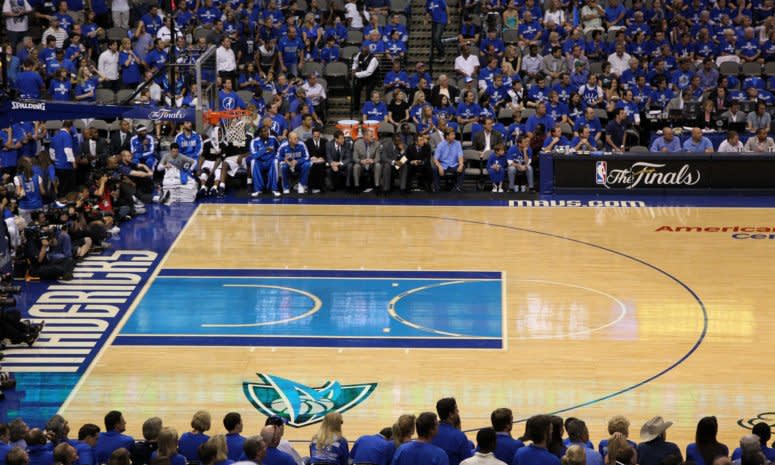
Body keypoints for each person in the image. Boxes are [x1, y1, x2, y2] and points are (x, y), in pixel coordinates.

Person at [431, 398, 472, 465]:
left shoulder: (430, 432)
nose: (458, 411)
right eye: (456, 409)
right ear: (451, 414)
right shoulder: (459, 436)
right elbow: (467, 462)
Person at [351, 46, 380, 114]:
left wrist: (355, 74)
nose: (363, 53)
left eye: (364, 52)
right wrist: (353, 68)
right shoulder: (359, 55)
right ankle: (356, 108)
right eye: (362, 51)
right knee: (356, 89)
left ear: (368, 52)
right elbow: (355, 62)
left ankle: (367, 109)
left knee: (368, 92)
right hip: (362, 76)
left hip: (372, 77)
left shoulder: (373, 59)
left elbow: (368, 72)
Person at [50, 120, 76, 195]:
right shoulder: (67, 135)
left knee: (59, 187)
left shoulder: (55, 135)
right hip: (66, 166)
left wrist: (54, 160)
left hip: (57, 166)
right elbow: (68, 150)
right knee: (67, 189)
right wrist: (73, 162)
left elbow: (51, 150)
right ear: (71, 127)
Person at [305, 127, 327, 194]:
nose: (316, 137)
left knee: (320, 166)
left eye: (318, 136)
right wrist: (311, 157)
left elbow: (327, 153)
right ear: (312, 135)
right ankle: (310, 187)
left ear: (320, 135)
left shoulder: (325, 141)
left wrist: (323, 158)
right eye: (315, 136)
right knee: (313, 166)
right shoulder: (307, 142)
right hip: (312, 160)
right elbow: (306, 153)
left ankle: (321, 187)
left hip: (321, 161)